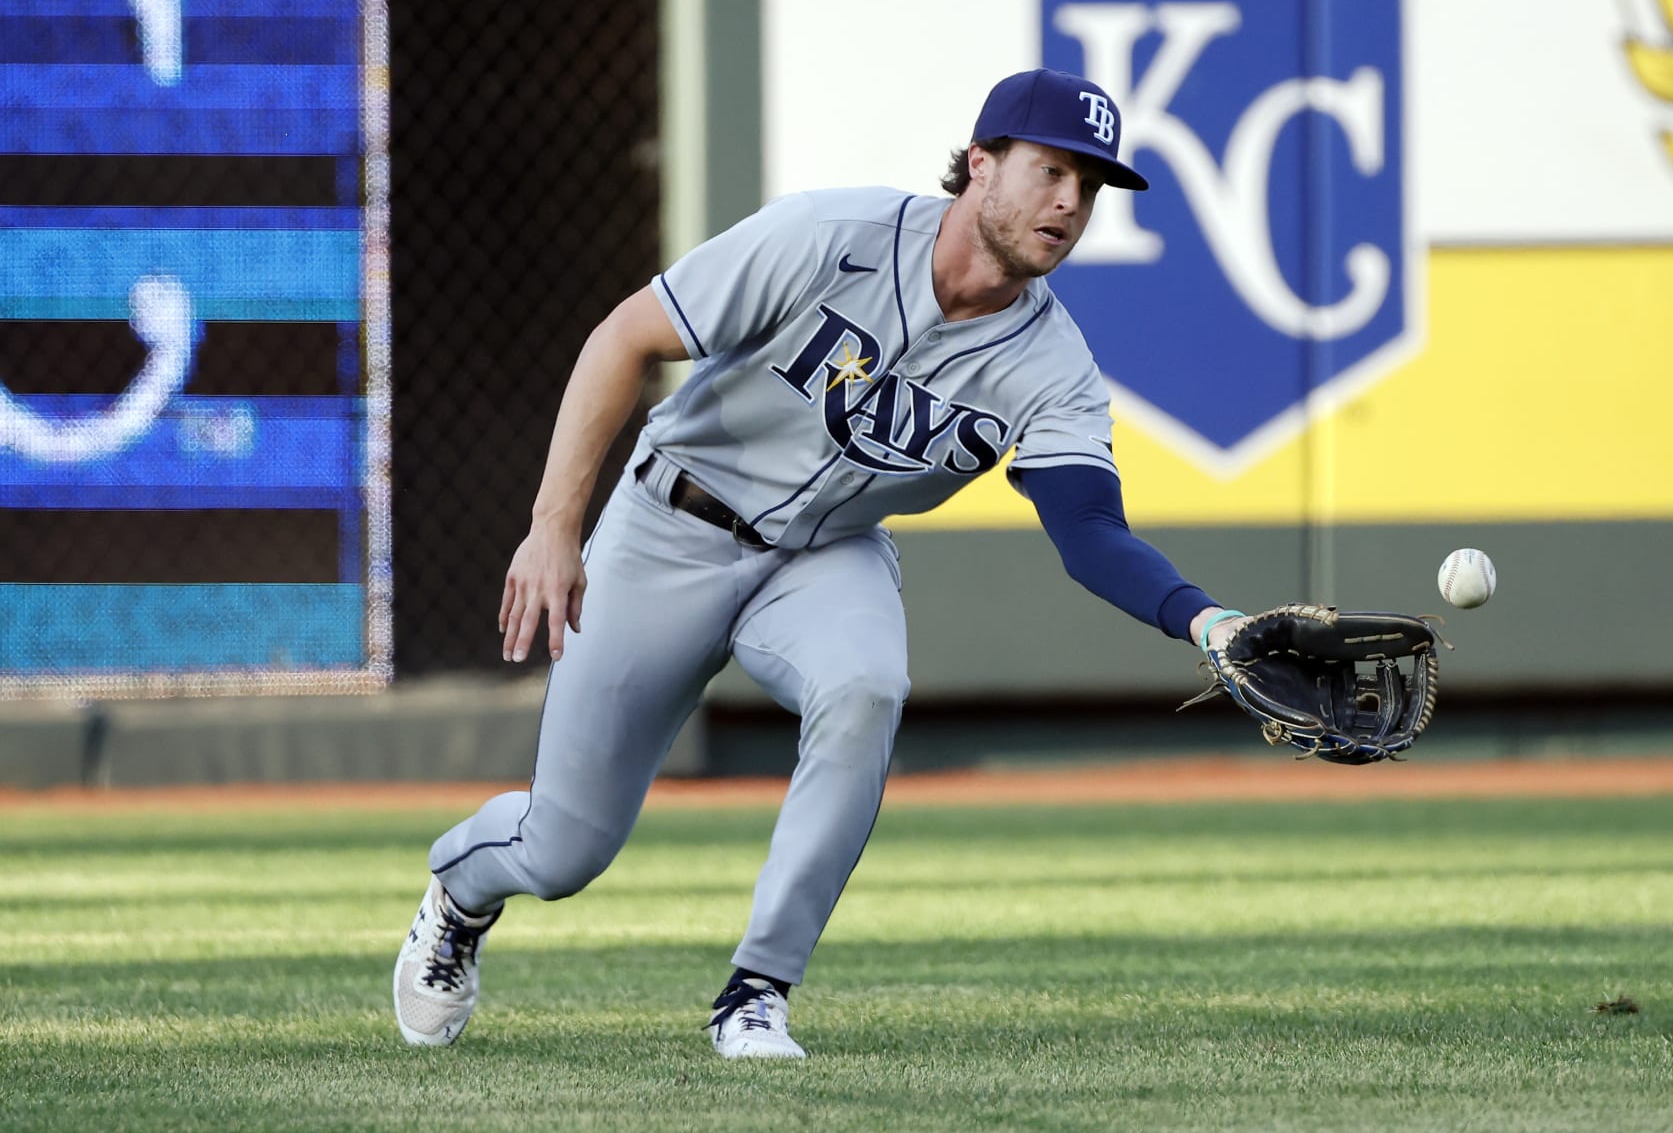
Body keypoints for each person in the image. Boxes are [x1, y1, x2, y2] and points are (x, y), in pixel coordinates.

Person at [393, 67, 1246, 1059]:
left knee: (868, 683)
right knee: (563, 848)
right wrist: (553, 526)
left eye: (1090, 188)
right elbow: (624, 335)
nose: (1070, 203)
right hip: (671, 523)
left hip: (824, 555)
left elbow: (1091, 531)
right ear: (981, 165)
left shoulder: (1053, 366)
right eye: (1052, 170)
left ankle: (758, 991)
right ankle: (459, 895)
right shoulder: (829, 236)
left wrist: (1206, 620)